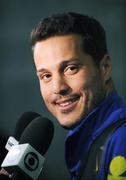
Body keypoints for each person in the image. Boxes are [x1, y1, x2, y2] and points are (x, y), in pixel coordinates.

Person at [31, 12, 126, 180]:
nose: (58, 88)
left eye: (71, 68)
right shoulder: (89, 141)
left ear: (105, 68)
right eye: (46, 76)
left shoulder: (121, 139)